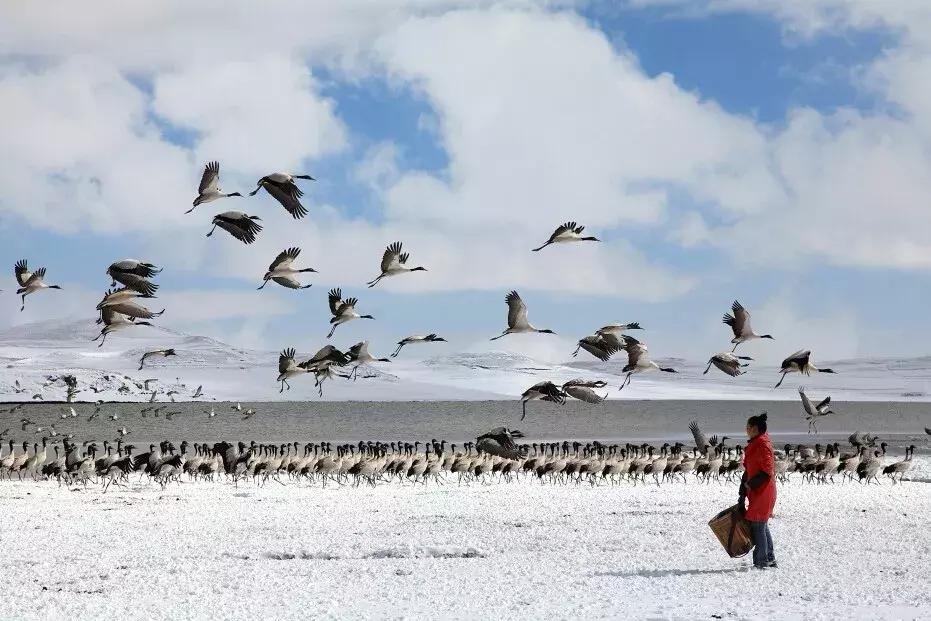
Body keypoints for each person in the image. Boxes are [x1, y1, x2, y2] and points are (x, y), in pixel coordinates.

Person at [738, 411, 777, 569]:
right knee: (761, 524)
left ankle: (762, 561)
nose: (746, 429)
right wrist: (743, 490)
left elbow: (767, 471)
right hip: (758, 491)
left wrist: (750, 484)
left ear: (754, 428)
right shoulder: (756, 443)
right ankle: (769, 558)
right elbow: (749, 469)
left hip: (764, 491)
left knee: (758, 525)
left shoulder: (762, 444)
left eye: (748, 427)